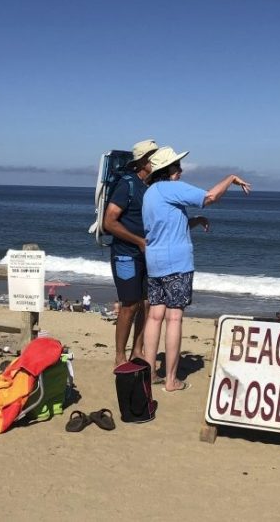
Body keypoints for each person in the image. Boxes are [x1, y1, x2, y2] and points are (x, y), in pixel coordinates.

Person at [142, 146, 251, 391]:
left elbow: (164, 227)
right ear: (167, 170)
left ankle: (149, 375)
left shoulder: (150, 193)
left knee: (155, 316)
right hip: (176, 263)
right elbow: (209, 197)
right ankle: (171, 380)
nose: (180, 170)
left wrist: (193, 221)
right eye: (177, 166)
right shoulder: (172, 188)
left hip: (155, 261)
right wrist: (230, 178)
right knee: (174, 318)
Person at [103, 139, 158, 366]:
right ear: (142, 162)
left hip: (146, 254)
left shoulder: (151, 185)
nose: (157, 161)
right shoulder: (128, 184)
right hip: (125, 254)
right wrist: (138, 241)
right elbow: (109, 221)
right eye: (153, 157)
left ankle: (137, 351)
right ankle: (119, 356)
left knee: (146, 304)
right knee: (129, 304)